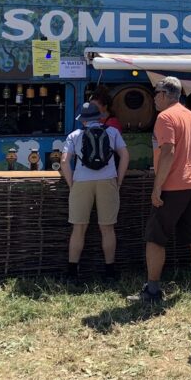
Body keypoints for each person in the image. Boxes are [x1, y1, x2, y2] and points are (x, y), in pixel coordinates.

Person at [140, 77, 191, 304]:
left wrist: (157, 187)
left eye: (156, 93)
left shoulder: (165, 117)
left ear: (164, 94)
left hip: (174, 185)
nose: (153, 98)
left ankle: (152, 290)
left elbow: (168, 153)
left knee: (155, 237)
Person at [60, 102, 130, 281]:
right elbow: (125, 156)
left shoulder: (74, 135)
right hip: (108, 181)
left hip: (81, 182)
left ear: (83, 120)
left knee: (79, 228)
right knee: (107, 229)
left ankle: (72, 272)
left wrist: (71, 184)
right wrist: (118, 180)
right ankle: (109, 272)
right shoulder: (112, 132)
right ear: (99, 117)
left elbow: (64, 162)